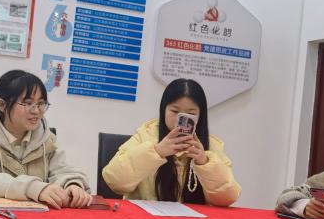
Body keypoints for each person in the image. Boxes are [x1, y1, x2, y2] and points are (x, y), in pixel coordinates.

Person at [0, 70, 91, 208]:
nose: (36, 111)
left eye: (41, 103)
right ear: (2, 105)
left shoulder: (48, 141)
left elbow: (64, 170)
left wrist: (73, 184)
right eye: (28, 103)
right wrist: (33, 188)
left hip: (41, 218)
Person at [102, 78, 240, 206]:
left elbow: (227, 198)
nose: (181, 119)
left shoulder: (212, 145)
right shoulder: (146, 135)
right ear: (164, 110)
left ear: (201, 115)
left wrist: (205, 163)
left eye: (191, 114)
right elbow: (114, 180)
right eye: (174, 111)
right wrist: (156, 151)